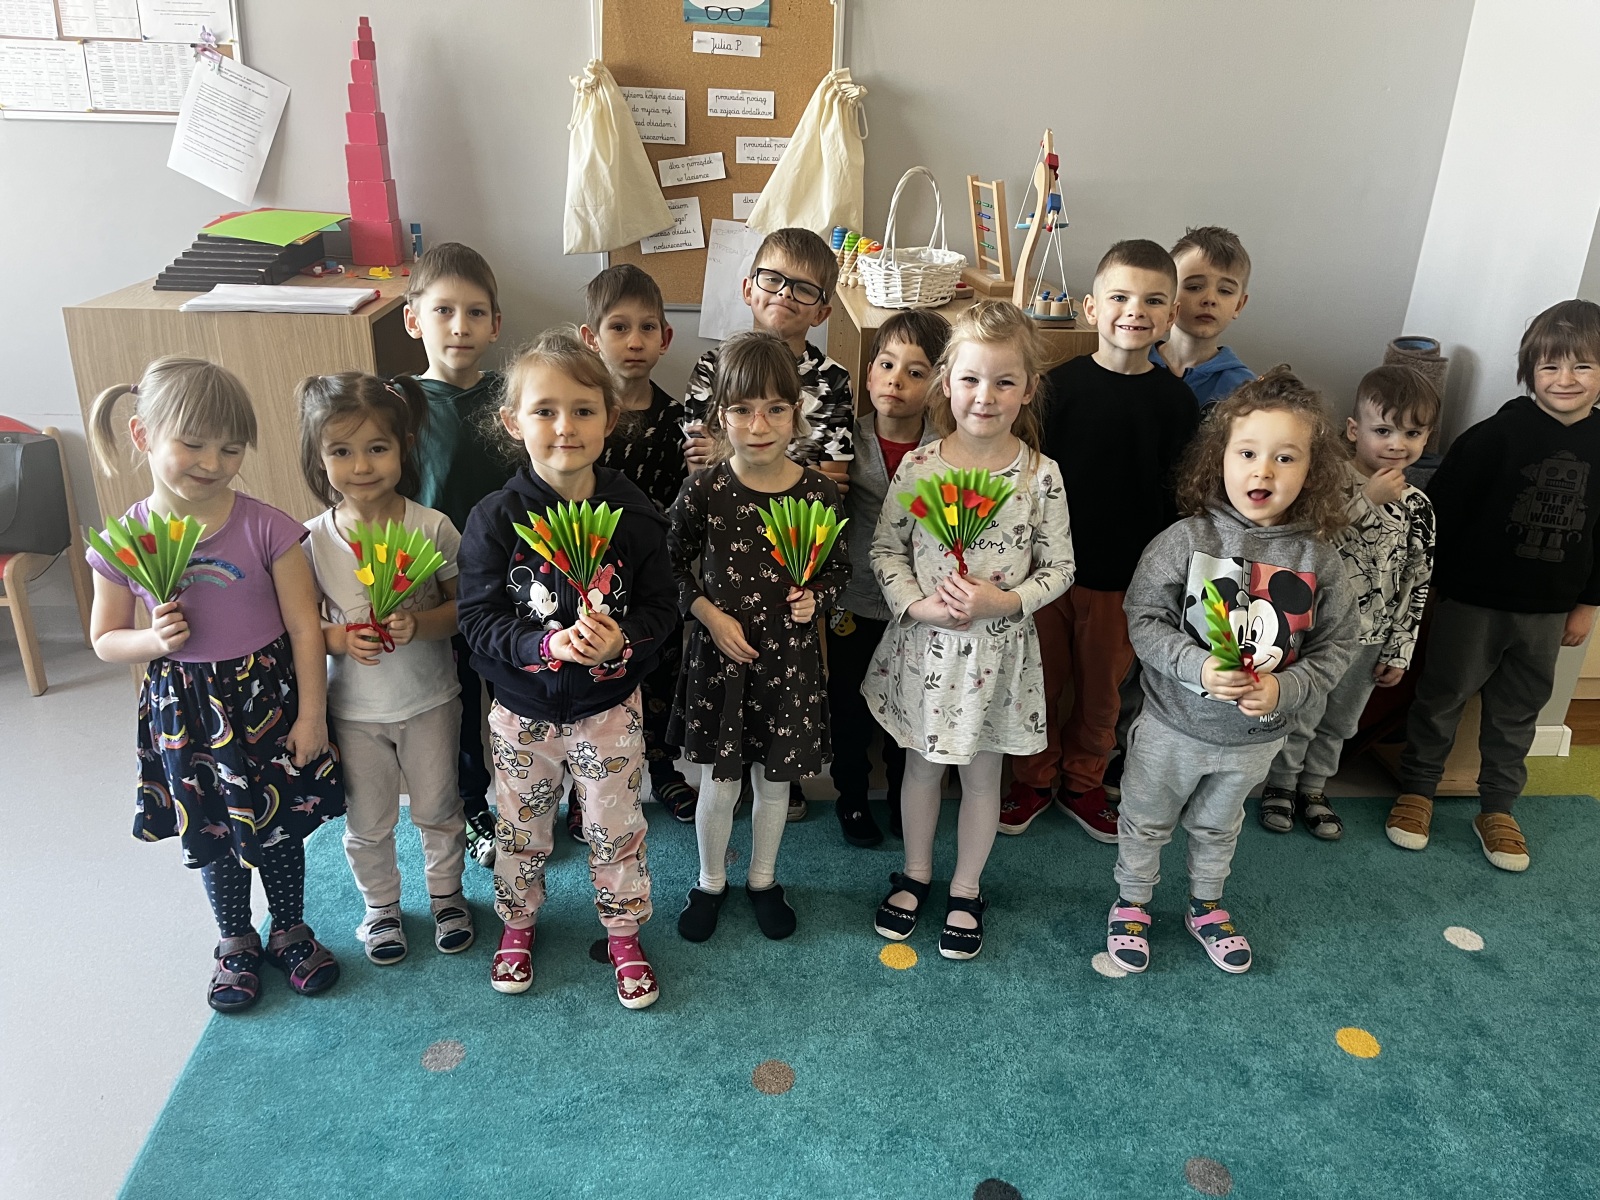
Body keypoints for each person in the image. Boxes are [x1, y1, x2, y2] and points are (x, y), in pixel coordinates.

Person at [86, 356, 344, 1012]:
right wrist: (152, 641)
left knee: (280, 826)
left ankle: (289, 929)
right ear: (143, 435)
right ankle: (234, 940)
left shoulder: (267, 528)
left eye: (231, 449)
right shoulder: (126, 539)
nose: (213, 462)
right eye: (193, 444)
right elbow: (105, 638)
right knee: (212, 832)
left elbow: (305, 629)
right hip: (187, 712)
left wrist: (311, 716)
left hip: (266, 702)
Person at [1107, 368, 1357, 976]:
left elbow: (1338, 644)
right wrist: (1196, 666)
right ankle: (1131, 904)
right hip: (1170, 728)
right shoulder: (1184, 539)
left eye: (1285, 457)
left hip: (1254, 739)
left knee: (1220, 827)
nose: (1262, 471)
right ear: (1219, 458)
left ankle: (1206, 906)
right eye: (1247, 453)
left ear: (1312, 471)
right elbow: (1143, 618)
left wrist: (1286, 687)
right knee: (1145, 821)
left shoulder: (1319, 559)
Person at [456, 329, 678, 1008]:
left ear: (610, 418)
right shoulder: (495, 518)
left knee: (616, 828)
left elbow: (662, 609)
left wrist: (622, 643)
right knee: (521, 829)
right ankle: (517, 923)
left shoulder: (635, 516)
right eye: (545, 410)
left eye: (583, 410)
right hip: (522, 711)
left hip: (608, 710)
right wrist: (543, 647)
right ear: (512, 422)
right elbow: (477, 620)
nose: (565, 427)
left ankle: (623, 933)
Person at [864, 301, 1075, 961]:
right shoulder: (920, 467)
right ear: (947, 383)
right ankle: (916, 874)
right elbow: (886, 550)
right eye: (971, 379)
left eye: (1005, 382)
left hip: (997, 658)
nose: (986, 396)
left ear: (1028, 389)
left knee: (984, 778)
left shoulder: (1041, 476)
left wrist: (1005, 600)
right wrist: (917, 606)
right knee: (921, 770)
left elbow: (1062, 568)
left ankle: (966, 887)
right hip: (927, 651)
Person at [1389, 299, 1600, 872]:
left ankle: (1498, 807)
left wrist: (1588, 604)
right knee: (1442, 696)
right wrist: (1430, 588)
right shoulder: (1493, 437)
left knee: (1518, 711)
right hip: (1472, 603)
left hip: (1550, 613)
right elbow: (1441, 517)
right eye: (1550, 365)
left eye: (1582, 365)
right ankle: (1418, 790)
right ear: (1530, 369)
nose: (1564, 378)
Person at [1002, 239, 1199, 843]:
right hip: (1046, 575)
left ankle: (1083, 782)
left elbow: (1181, 497)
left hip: (1126, 585)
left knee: (1101, 698)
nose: (1134, 311)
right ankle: (1032, 779)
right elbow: (1024, 478)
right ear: (1091, 308)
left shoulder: (1176, 401)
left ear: (1171, 316)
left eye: (1153, 301)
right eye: (1119, 297)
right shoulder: (1055, 389)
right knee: (1038, 685)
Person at [670, 331, 849, 943]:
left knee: (774, 784)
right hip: (722, 660)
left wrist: (816, 600)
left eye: (775, 408)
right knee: (719, 786)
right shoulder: (707, 489)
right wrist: (708, 615)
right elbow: (669, 567)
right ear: (721, 416)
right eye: (742, 409)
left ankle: (764, 880)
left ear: (796, 412)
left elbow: (838, 570)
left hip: (789, 665)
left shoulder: (820, 492)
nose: (759, 424)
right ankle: (709, 881)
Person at [298, 371, 474, 964]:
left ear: (405, 448)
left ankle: (447, 896)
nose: (361, 466)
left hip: (430, 699)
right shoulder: (312, 542)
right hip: (354, 711)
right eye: (341, 451)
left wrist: (420, 624)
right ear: (319, 457)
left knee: (438, 809)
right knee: (367, 820)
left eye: (377, 447)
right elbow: (302, 631)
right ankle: (380, 907)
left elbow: (464, 610)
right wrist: (340, 639)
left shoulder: (432, 527)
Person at [682, 227, 855, 821]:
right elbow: (700, 458)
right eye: (773, 279)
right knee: (727, 661)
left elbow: (833, 480)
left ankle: (782, 770)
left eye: (803, 288)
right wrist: (765, 467)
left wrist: (769, 469)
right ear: (748, 287)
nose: (784, 293)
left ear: (823, 310)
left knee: (790, 664)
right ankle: (727, 772)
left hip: (795, 553)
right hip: (726, 542)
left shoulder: (831, 379)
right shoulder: (714, 364)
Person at [1260, 366, 1437, 839]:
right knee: (1300, 714)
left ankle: (1314, 788)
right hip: (1316, 632)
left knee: (1340, 721)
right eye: (1384, 431)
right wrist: (1367, 500)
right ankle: (1281, 784)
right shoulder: (1325, 484)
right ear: (1355, 430)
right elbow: (1308, 547)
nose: (1397, 444)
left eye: (1412, 433)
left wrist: (1400, 649)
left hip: (1370, 638)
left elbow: (1417, 581)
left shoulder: (1419, 507)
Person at [579, 263, 696, 828]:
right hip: (588, 577)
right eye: (619, 327)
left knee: (659, 669)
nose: (634, 341)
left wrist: (703, 467)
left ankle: (663, 767)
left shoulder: (679, 422)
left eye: (647, 327)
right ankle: (584, 790)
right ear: (591, 337)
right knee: (593, 675)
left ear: (665, 338)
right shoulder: (582, 418)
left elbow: (687, 506)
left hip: (654, 576)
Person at [402, 241, 508, 868]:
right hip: (440, 589)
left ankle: (534, 800)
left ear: (495, 324)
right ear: (414, 319)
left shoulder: (510, 398)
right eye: (443, 310)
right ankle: (473, 809)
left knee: (517, 697)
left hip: (513, 585)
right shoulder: (399, 406)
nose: (459, 326)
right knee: (461, 705)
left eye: (474, 312)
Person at [828, 310, 949, 847]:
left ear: (938, 384)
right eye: (886, 364)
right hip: (854, 598)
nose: (895, 380)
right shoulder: (845, 441)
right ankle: (852, 798)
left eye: (915, 372)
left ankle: (905, 800)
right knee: (849, 707)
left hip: (918, 602)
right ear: (870, 371)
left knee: (910, 707)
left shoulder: (947, 447)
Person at [1149, 226, 1256, 409]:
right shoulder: (1132, 360)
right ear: (1168, 294)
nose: (1210, 299)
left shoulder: (1245, 390)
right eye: (1194, 287)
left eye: (1225, 291)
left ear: (1239, 305)